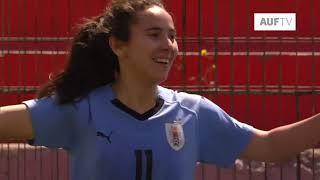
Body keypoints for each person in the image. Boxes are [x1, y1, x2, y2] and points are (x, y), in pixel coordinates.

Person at [0, 0, 319, 179]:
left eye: (173, 36)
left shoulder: (194, 113)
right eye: (154, 34)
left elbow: (271, 146)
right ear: (118, 46)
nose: (169, 45)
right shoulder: (80, 110)